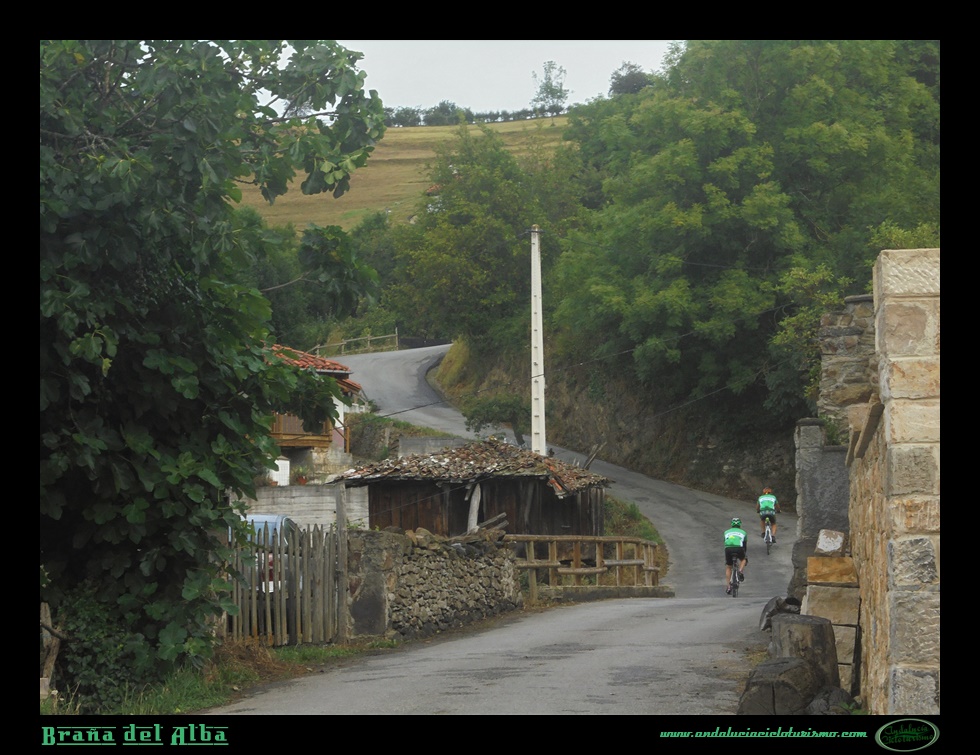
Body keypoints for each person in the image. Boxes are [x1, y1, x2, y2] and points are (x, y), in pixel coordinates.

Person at [724, 517, 748, 594]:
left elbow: (725, 542)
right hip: (739, 548)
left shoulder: (726, 532)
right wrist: (744, 554)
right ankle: (740, 571)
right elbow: (744, 545)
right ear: (740, 525)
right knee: (743, 559)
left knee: (729, 567)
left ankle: (728, 587)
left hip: (728, 549)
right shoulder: (743, 532)